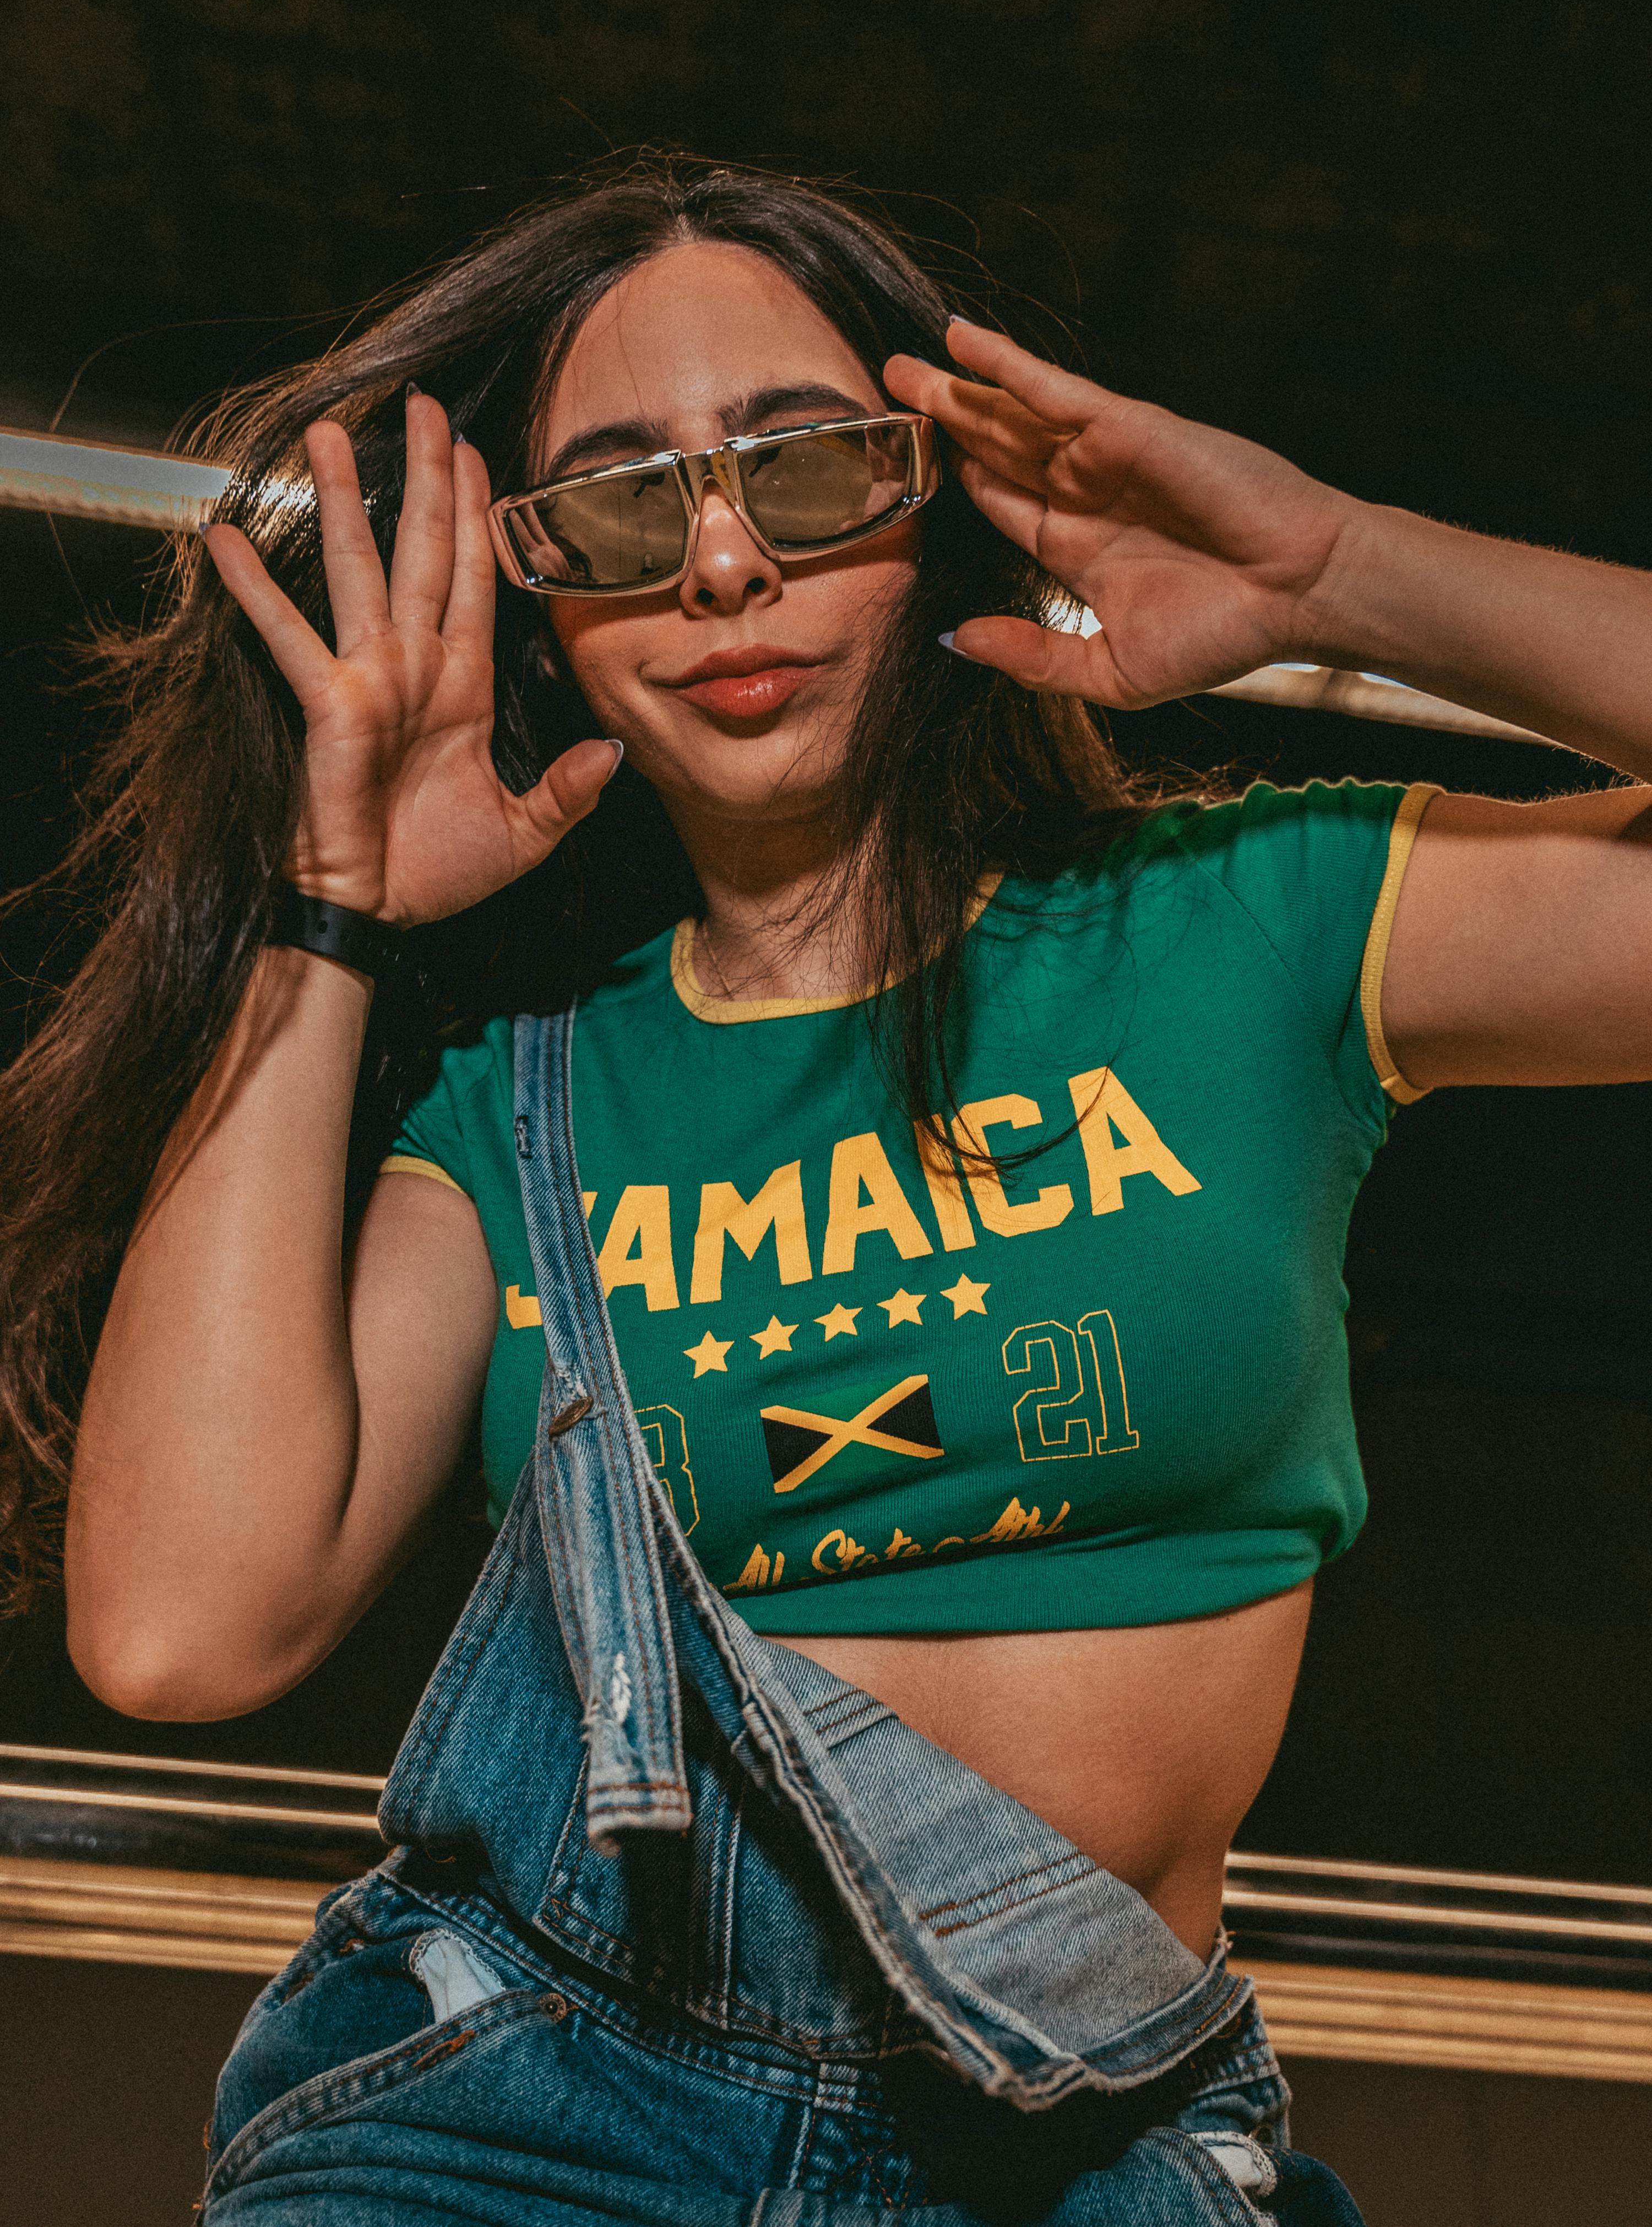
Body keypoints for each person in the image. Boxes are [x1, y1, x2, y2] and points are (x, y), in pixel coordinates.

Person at [4, 162, 1650, 2223]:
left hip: (1089, 2149)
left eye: (805, 469)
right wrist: (326, 915)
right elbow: (179, 1627)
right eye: (622, 505)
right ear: (542, 602)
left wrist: (1335, 569)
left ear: (927, 498)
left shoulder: (1248, 923)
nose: (722, 562)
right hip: (534, 2130)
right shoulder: (527, 1107)